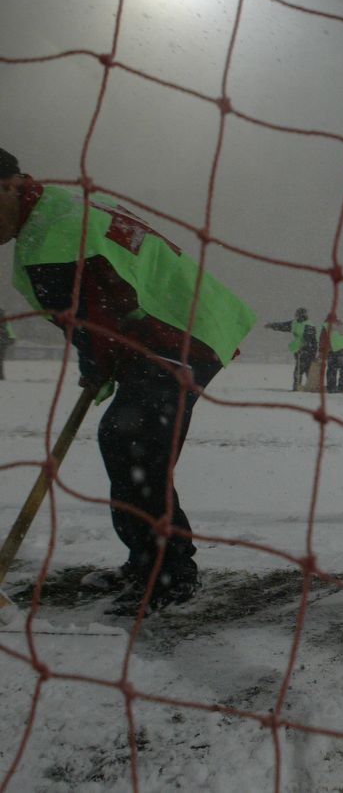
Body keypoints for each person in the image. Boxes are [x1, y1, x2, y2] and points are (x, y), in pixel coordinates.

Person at [0, 147, 257, 613]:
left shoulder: (52, 236)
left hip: (176, 335)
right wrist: (96, 364)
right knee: (127, 440)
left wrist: (96, 366)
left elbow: (98, 316)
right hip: (175, 327)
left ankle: (170, 574)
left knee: (131, 438)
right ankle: (146, 563)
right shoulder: (54, 212)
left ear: (9, 187)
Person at [264, 307, 317, 391]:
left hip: (306, 352)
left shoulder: (309, 325)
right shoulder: (295, 323)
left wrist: (307, 351)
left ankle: (301, 387)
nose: (296, 316)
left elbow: (311, 341)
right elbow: (283, 326)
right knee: (303, 370)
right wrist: (272, 325)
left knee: (301, 371)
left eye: (297, 314)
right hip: (299, 351)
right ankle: (303, 387)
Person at [321, 314, 343, 393]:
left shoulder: (326, 326)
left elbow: (323, 340)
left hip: (333, 350)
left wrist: (321, 351)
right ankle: (342, 389)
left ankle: (331, 388)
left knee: (331, 370)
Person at [0, 306, 14, 380]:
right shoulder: (4, 316)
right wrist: (11, 338)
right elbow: (8, 327)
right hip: (4, 340)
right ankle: (1, 376)